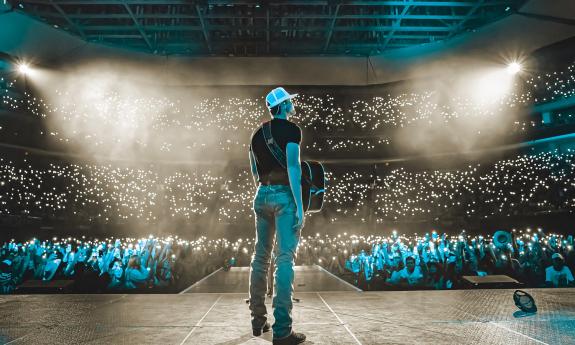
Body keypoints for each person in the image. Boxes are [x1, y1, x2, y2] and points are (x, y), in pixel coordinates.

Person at [248, 87, 306, 345]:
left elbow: (253, 171)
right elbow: (293, 168)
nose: (293, 104)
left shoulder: (256, 135)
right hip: (284, 196)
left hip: (261, 194)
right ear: (282, 106)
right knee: (284, 259)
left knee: (260, 258)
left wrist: (265, 194)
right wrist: (300, 205)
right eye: (289, 102)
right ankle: (283, 331)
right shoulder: (292, 130)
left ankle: (258, 319)